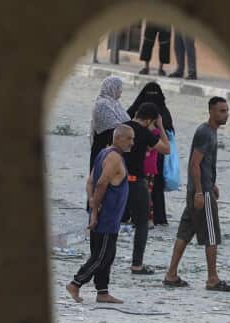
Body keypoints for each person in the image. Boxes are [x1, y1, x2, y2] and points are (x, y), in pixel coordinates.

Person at [163, 97, 230, 291]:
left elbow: (204, 164)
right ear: (211, 111)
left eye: (227, 110)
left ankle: (171, 274)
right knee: (212, 235)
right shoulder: (205, 132)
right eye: (221, 111)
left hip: (202, 189)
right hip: (200, 193)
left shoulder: (211, 132)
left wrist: (212, 184)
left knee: (185, 232)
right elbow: (195, 163)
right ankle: (212, 279)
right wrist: (199, 192)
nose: (225, 114)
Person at [67, 124, 133, 304]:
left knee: (107, 254)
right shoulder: (113, 158)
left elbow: (90, 182)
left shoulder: (104, 153)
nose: (132, 143)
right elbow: (101, 184)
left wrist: (91, 203)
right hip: (106, 217)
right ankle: (75, 283)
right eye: (129, 138)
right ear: (118, 138)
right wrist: (95, 212)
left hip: (107, 216)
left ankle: (102, 291)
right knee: (102, 255)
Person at [121, 102, 169, 274]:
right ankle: (137, 264)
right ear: (150, 120)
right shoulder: (145, 133)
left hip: (116, 180)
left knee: (112, 221)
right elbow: (166, 149)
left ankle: (105, 259)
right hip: (136, 182)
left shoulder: (121, 128)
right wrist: (161, 127)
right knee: (141, 223)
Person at [127, 82, 176, 226]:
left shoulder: (130, 122)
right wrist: (159, 126)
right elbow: (167, 146)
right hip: (152, 160)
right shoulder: (158, 117)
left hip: (152, 160)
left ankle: (140, 217)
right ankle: (146, 218)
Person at [89, 76, 130, 170]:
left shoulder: (114, 103)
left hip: (116, 149)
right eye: (119, 88)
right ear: (112, 88)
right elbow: (111, 127)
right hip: (104, 149)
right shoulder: (102, 104)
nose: (121, 91)